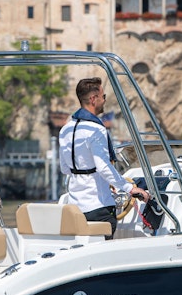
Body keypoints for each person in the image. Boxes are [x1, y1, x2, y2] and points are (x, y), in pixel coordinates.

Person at [59, 77, 149, 238]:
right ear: (93, 99)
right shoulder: (96, 130)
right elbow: (103, 167)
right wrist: (130, 188)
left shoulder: (65, 129)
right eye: (103, 97)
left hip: (74, 207)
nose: (104, 101)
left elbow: (65, 168)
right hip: (98, 208)